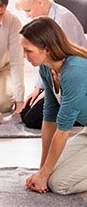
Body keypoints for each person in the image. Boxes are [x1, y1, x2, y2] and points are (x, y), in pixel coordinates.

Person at [20, 16, 87, 195]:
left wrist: (45, 176)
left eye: (28, 51)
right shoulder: (46, 68)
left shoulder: (74, 71)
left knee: (58, 184)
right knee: (50, 173)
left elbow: (63, 129)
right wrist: (42, 171)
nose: (24, 56)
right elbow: (50, 117)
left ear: (47, 49)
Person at [15, 0, 87, 129]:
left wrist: (48, 94)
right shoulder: (44, 20)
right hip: (55, 74)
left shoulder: (63, 19)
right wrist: (38, 88)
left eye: (28, 10)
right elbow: (46, 58)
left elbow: (68, 60)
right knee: (25, 112)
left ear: (40, 2)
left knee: (32, 120)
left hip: (72, 77)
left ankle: (76, 113)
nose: (27, 15)